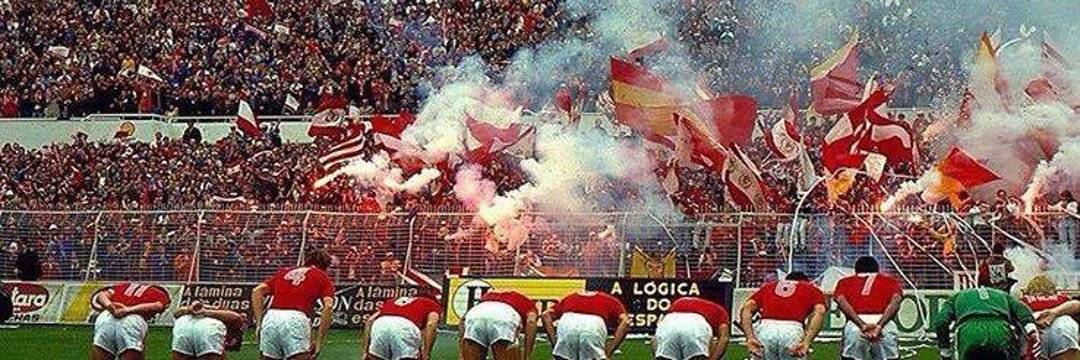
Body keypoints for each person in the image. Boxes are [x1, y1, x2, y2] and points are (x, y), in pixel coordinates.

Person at [252, 249, 335, 360]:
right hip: (296, 318)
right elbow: (328, 306)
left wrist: (259, 323)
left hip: (271, 317)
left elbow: (257, 291)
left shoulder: (285, 271)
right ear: (325, 265)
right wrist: (319, 340)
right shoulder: (322, 276)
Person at [931, 286, 1040, 360]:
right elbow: (1023, 311)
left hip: (969, 332)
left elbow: (941, 321)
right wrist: (1031, 329)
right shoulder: (1003, 295)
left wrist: (945, 351)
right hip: (1000, 330)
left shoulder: (957, 296)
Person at [739, 271, 827, 360]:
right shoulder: (811, 288)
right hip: (793, 329)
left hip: (766, 329)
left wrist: (750, 337)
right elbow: (820, 311)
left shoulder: (769, 286)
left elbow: (747, 307)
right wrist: (807, 341)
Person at [833, 256, 904, 360]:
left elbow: (841, 301)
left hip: (856, 323)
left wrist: (861, 325)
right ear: (877, 269)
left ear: (856, 270)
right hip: (884, 322)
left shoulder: (844, 282)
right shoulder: (891, 281)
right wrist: (880, 325)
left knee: (852, 357)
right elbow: (896, 300)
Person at [91, 282, 172, 360]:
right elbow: (157, 306)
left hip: (106, 317)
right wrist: (127, 310)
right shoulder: (160, 294)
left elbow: (101, 295)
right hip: (132, 320)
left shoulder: (124, 285)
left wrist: (111, 307)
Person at [541, 290, 631, 360]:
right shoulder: (611, 300)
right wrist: (609, 350)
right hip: (593, 326)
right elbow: (626, 322)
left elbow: (545, 315)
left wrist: (555, 343)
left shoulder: (570, 297)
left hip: (568, 322)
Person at [459, 290, 539, 360]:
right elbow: (531, 321)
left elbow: (463, 320)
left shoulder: (488, 297)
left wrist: (462, 353)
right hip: (504, 318)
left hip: (475, 315)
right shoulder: (529, 304)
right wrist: (527, 355)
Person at [361, 295, 442, 360]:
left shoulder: (393, 301)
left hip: (380, 324)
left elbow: (370, 320)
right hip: (405, 327)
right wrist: (426, 354)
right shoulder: (432, 304)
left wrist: (365, 351)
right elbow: (431, 324)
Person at [653, 296, 730, 360]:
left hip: (668, 325)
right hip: (696, 327)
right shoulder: (721, 312)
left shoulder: (678, 303)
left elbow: (655, 339)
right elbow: (724, 339)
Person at [1023, 275, 1078, 360]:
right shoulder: (1060, 298)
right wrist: (1054, 312)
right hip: (1063, 333)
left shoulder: (1026, 300)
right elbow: (1076, 304)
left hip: (1037, 335)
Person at [172, 301, 247, 360]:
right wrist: (204, 312)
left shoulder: (190, 312)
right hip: (208, 331)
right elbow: (236, 317)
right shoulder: (225, 317)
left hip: (183, 327)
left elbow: (176, 313)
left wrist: (197, 311)